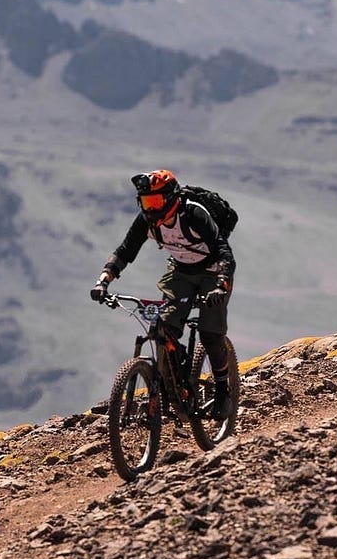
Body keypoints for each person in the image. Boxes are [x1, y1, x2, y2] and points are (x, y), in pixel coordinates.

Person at [91, 169, 236, 417]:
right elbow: (125, 251)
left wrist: (221, 284)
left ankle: (223, 391)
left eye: (155, 201)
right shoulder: (147, 221)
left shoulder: (193, 214)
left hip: (213, 272)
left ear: (170, 198)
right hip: (181, 271)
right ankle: (176, 380)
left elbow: (224, 253)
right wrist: (103, 280)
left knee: (210, 335)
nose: (150, 208)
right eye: (146, 202)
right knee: (164, 327)